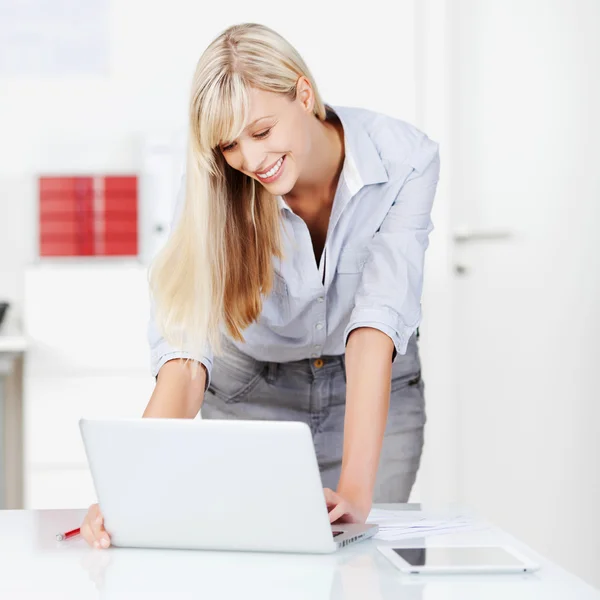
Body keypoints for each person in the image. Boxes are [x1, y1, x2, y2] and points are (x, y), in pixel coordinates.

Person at [81, 22, 440, 549]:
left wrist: (355, 494)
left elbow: (375, 324)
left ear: (303, 93)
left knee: (368, 564)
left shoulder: (406, 159)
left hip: (371, 382)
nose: (250, 161)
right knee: (257, 569)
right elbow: (186, 352)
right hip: (251, 389)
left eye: (262, 131)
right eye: (229, 145)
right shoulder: (212, 189)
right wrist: (126, 491)